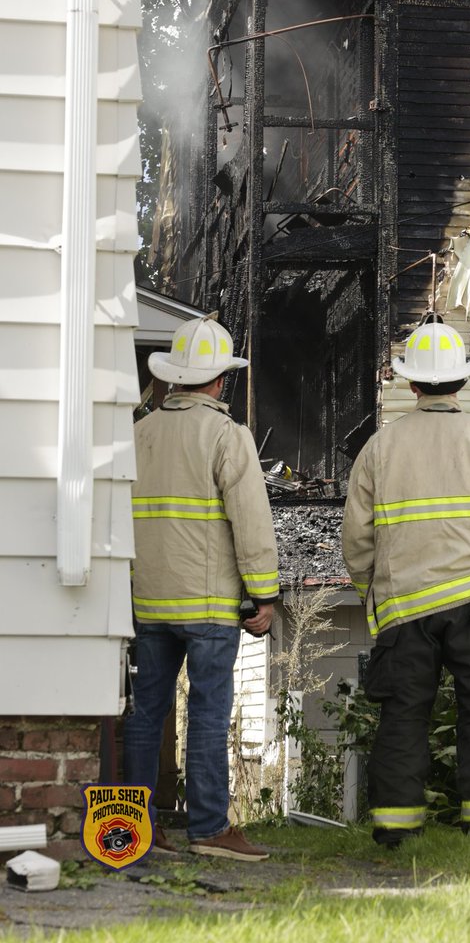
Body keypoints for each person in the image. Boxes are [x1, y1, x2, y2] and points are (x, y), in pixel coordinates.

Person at [342, 320, 470, 847]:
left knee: (403, 715)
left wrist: (377, 592)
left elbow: (356, 541)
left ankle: (394, 830)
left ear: (410, 384)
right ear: (460, 382)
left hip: (405, 609)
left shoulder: (379, 449)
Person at [124, 318, 279, 860]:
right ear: (217, 382)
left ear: (174, 377)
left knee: (146, 714)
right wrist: (264, 595)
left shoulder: (138, 435)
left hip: (148, 601)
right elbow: (252, 522)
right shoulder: (226, 436)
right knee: (208, 715)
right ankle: (210, 829)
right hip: (210, 607)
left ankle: (135, 827)